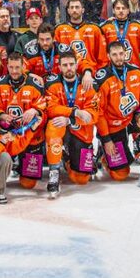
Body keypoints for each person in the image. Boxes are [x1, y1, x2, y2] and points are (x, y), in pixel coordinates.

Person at [42, 51, 100, 198]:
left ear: (76, 65)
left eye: (71, 64)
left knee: (81, 179)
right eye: (65, 65)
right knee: (53, 125)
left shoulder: (87, 85)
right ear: (59, 67)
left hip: (80, 131)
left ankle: (66, 159)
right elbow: (51, 109)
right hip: (62, 127)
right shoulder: (52, 84)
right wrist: (75, 112)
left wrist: (70, 119)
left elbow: (92, 115)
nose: (68, 68)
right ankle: (54, 172)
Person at [94, 40, 140, 181]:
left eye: (121, 53)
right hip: (114, 125)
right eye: (114, 54)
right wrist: (106, 140)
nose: (119, 57)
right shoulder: (103, 77)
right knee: (121, 174)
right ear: (108, 56)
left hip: (132, 119)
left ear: (126, 54)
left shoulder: (135, 71)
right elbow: (99, 113)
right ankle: (104, 155)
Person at [0, 53, 47, 189]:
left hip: (29, 136)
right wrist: (2, 115)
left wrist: (35, 110)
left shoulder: (34, 84)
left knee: (28, 184)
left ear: (23, 67)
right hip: (7, 134)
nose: (14, 71)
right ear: (7, 66)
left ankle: (21, 163)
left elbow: (44, 110)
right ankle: (8, 163)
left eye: (17, 67)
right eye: (11, 67)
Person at [100, 0, 140, 68]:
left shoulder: (138, 27)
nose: (121, 11)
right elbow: (102, 51)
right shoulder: (105, 27)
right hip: (112, 69)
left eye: (123, 8)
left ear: (128, 10)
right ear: (113, 10)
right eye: (118, 8)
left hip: (134, 68)